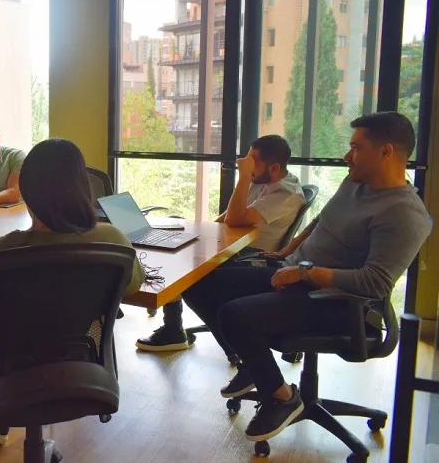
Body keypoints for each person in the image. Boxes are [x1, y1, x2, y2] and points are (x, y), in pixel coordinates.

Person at [184, 112, 431, 443]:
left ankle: (283, 397)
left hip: (338, 303)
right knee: (199, 282)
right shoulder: (356, 183)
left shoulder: (404, 214)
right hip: (296, 274)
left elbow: (375, 283)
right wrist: (290, 250)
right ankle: (252, 365)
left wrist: (306, 272)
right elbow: (322, 220)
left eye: (356, 148)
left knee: (234, 315)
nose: (347, 156)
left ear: (386, 151)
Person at [0, 138, 147, 445]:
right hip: (79, 366)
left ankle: (2, 417)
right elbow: (132, 285)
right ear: (84, 189)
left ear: (25, 194)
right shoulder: (113, 241)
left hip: (2, 377)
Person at [136, 135, 305, 352]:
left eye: (252, 161)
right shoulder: (262, 179)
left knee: (192, 277)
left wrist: (243, 177)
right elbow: (227, 217)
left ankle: (235, 348)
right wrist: (201, 235)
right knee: (179, 243)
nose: (245, 164)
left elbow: (234, 219)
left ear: (274, 168)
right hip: (235, 246)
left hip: (253, 256)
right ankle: (173, 329)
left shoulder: (286, 194)